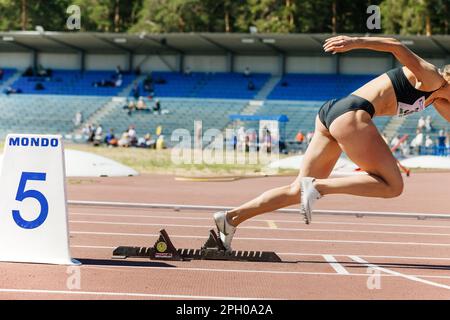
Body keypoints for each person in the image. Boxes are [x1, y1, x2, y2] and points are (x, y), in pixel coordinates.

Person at [212, 35, 450, 251]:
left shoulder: (437, 97)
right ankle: (318, 187)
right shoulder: (431, 77)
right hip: (353, 114)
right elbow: (395, 46)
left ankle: (231, 218)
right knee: (392, 185)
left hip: (332, 113)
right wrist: (354, 42)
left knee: (297, 190)